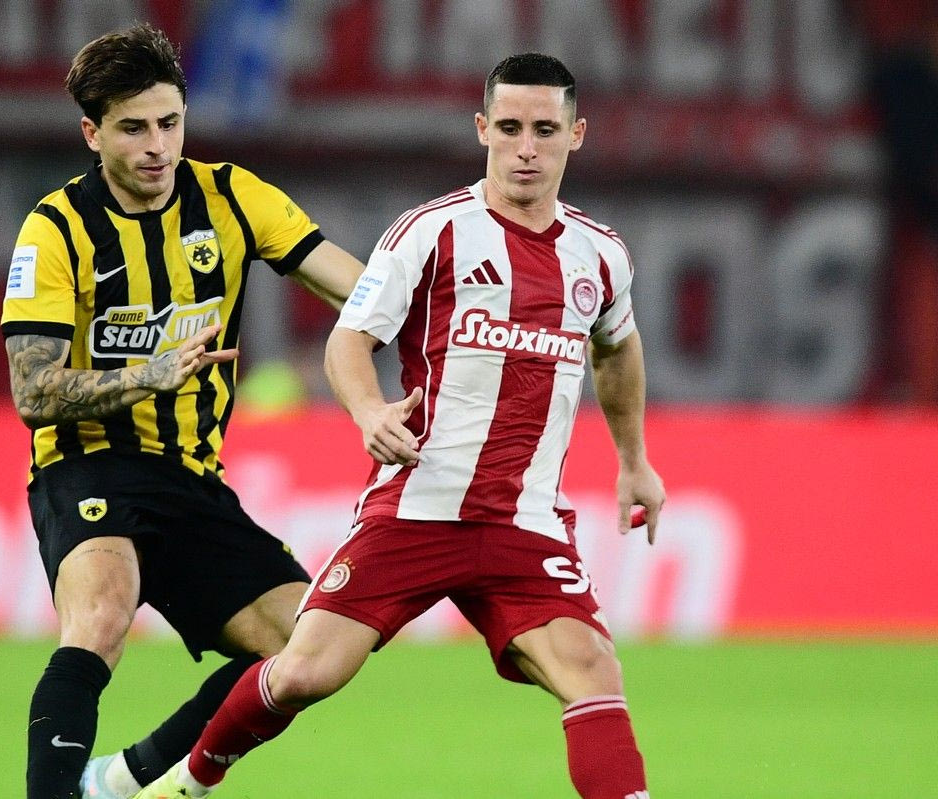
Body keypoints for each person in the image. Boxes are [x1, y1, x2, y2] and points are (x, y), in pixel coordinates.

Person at [137, 53, 666, 799]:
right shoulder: (430, 232)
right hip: (419, 505)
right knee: (306, 672)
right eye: (509, 128)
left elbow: (617, 350)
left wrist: (634, 459)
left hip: (524, 521)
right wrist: (368, 411)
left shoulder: (601, 255)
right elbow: (349, 341)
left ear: (575, 135)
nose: (525, 148)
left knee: (593, 669)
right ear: (482, 128)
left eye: (545, 131)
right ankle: (185, 783)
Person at [0, 23, 365, 799]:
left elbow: (357, 289)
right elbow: (32, 392)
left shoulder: (231, 196)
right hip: (86, 463)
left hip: (191, 474)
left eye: (170, 123)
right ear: (93, 133)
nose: (158, 146)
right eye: (134, 128)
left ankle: (119, 780)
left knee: (306, 646)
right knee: (102, 614)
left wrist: (448, 320)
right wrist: (151, 373)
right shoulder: (56, 228)